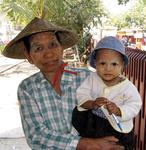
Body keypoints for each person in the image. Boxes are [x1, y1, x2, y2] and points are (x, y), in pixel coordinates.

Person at [2, 18, 124, 150]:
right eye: (38, 48)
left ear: (62, 48)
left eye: (53, 45)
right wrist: (88, 144)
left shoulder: (87, 78)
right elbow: (36, 135)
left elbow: (115, 113)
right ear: (28, 56)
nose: (48, 54)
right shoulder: (27, 88)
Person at [72, 36, 142, 150]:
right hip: (94, 122)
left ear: (122, 65)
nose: (108, 68)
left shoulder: (127, 86)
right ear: (95, 63)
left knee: (119, 145)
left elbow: (135, 104)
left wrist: (119, 110)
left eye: (114, 64)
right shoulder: (92, 78)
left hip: (117, 126)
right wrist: (92, 103)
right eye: (102, 63)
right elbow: (82, 93)